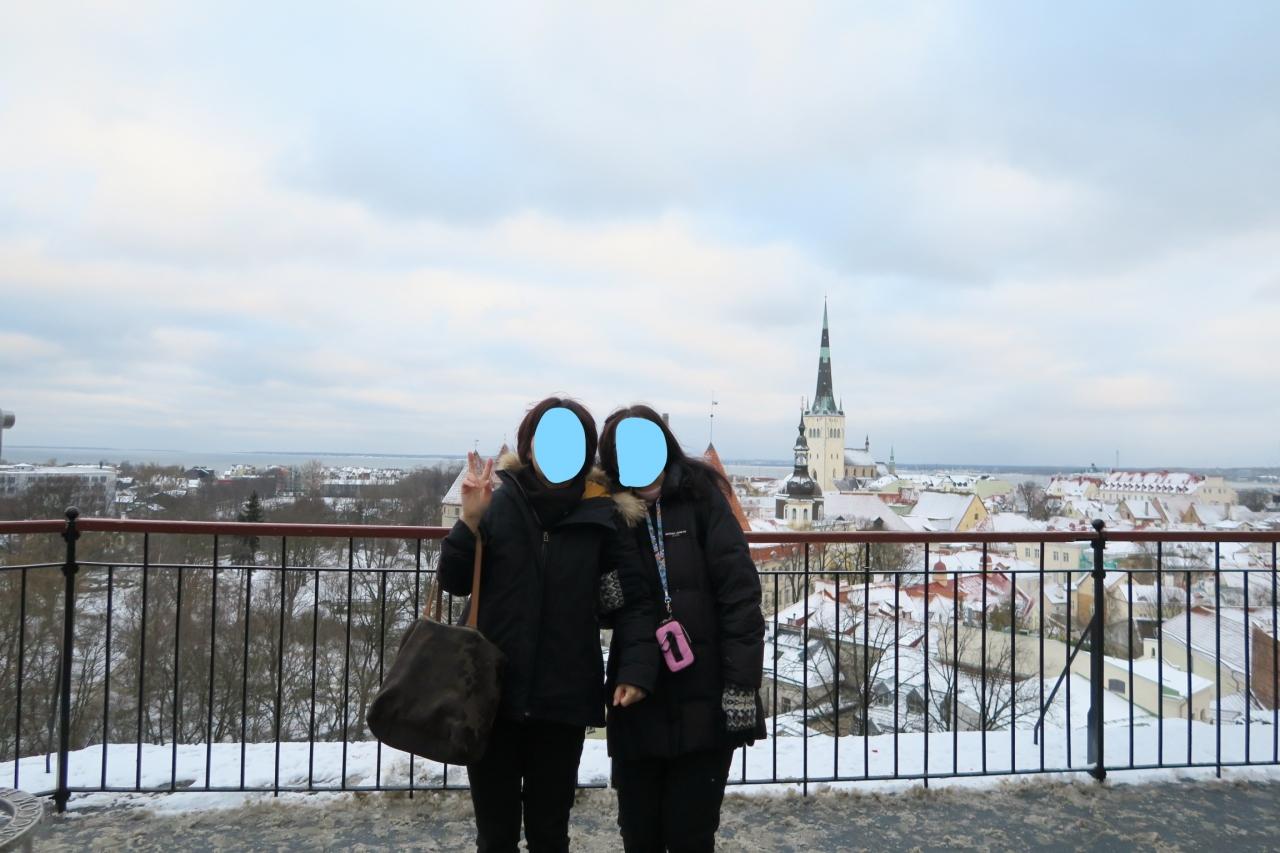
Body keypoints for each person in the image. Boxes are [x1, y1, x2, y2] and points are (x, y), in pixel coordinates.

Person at [440, 397, 658, 853]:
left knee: (549, 833)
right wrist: (469, 523)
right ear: (529, 446)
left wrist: (635, 670)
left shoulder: (602, 517)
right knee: (495, 836)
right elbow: (454, 582)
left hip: (563, 700)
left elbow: (633, 603)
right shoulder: (499, 504)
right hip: (491, 695)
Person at [599, 404, 766, 853]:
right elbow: (594, 601)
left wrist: (741, 685)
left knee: (691, 835)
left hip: (705, 696)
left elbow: (740, 594)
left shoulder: (701, 497)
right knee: (639, 835)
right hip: (638, 695)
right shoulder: (608, 513)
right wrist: (604, 593)